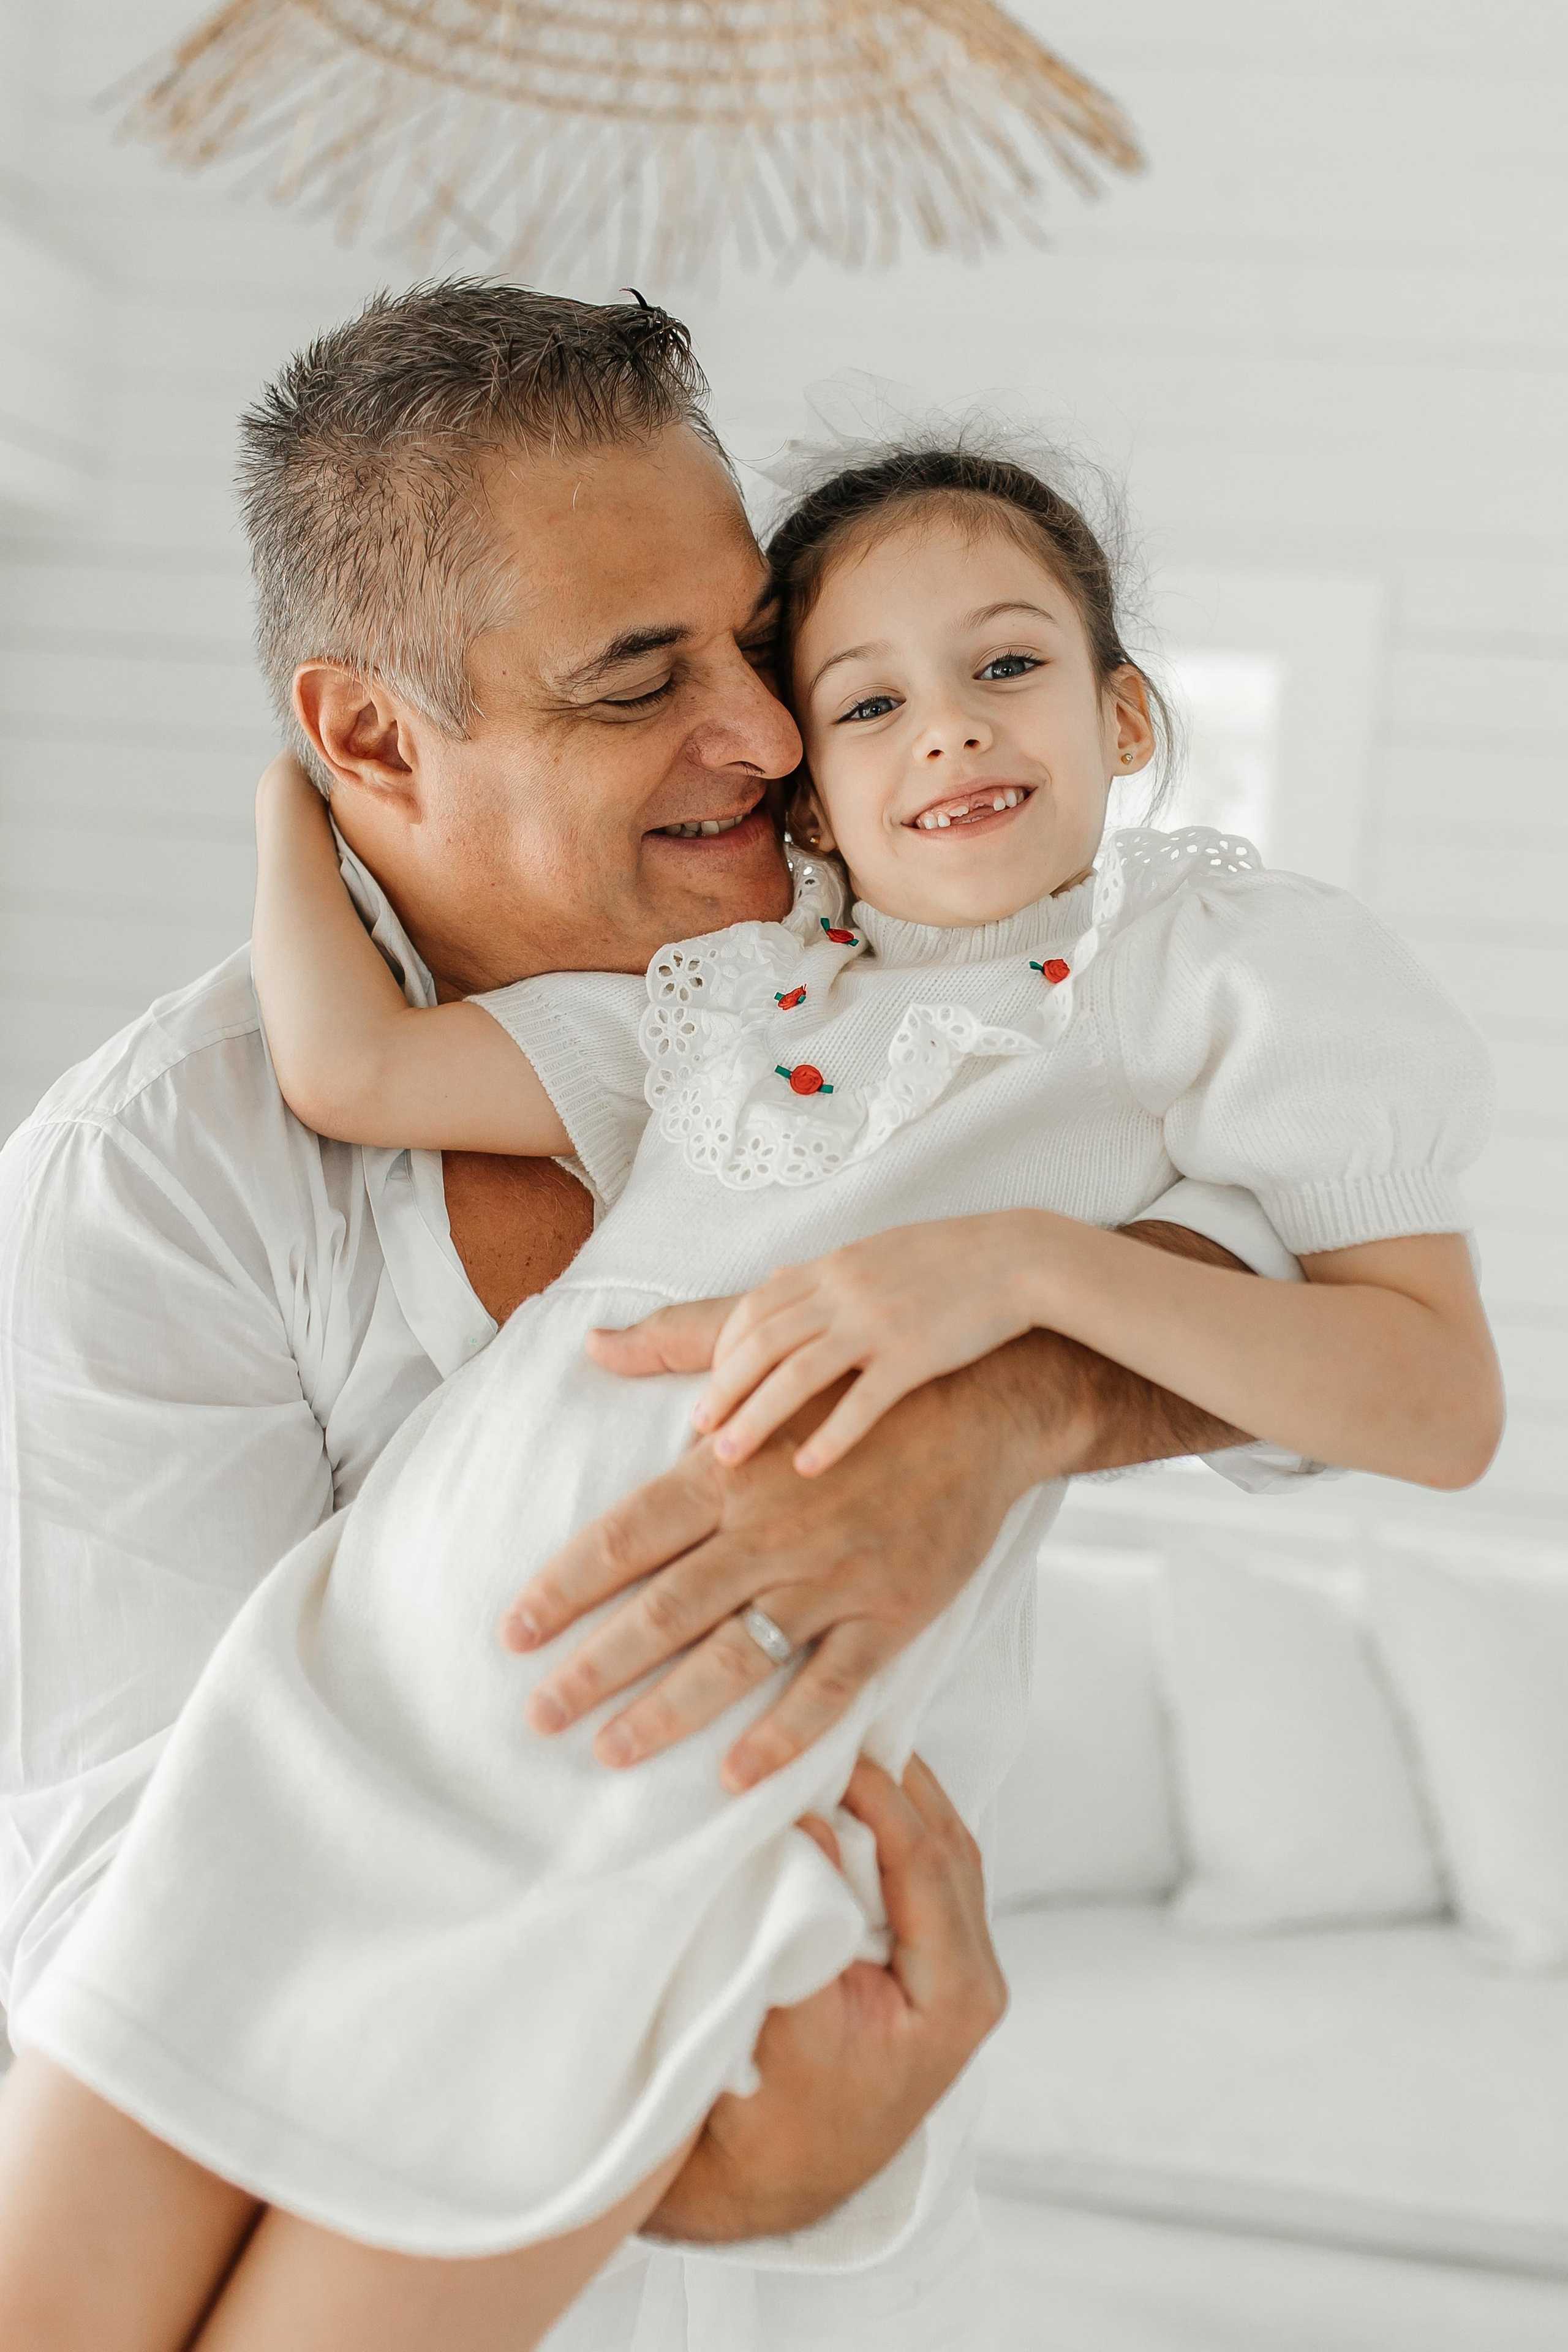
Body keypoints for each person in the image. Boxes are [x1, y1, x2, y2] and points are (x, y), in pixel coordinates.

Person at [0, 395, 1501, 2350]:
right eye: (850, 696)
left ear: (1128, 714)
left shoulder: (1201, 977)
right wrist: (280, 806)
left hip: (675, 1793)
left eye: (1006, 667)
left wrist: (1028, 1297)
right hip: (355, 1719)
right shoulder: (745, 1005)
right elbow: (349, 1069)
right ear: (372, 731)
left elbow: (1410, 1383)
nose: (810, 735)